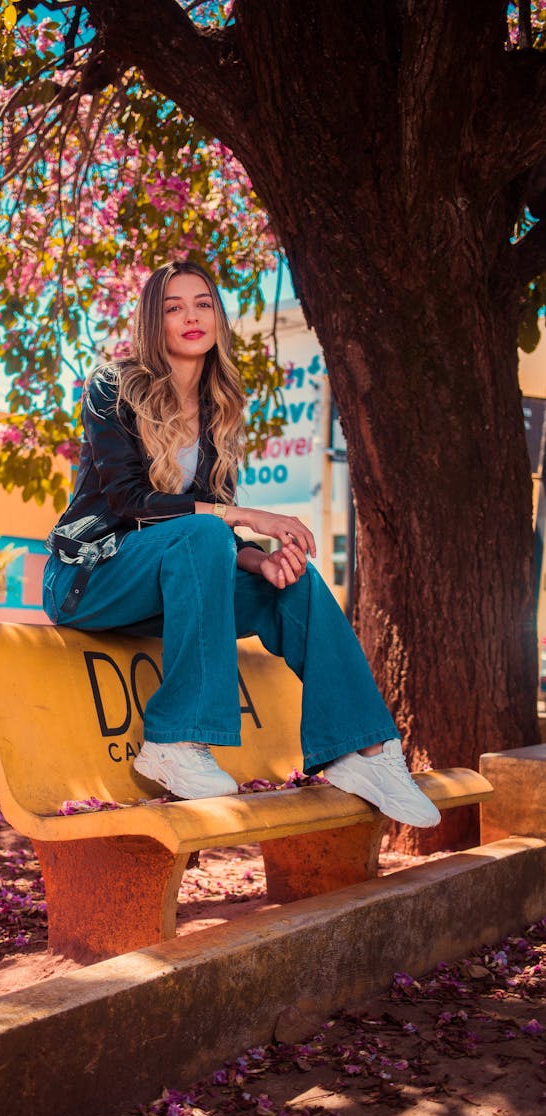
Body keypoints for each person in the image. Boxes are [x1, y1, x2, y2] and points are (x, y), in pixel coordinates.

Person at [42, 260, 439, 828]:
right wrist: (245, 516)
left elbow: (208, 539)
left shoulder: (219, 407)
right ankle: (175, 742)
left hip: (168, 591)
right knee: (207, 529)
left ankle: (364, 751)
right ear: (154, 322)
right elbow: (131, 502)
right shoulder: (114, 385)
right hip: (89, 580)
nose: (190, 316)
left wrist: (258, 558)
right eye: (173, 307)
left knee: (291, 585)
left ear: (218, 316)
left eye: (202, 303)